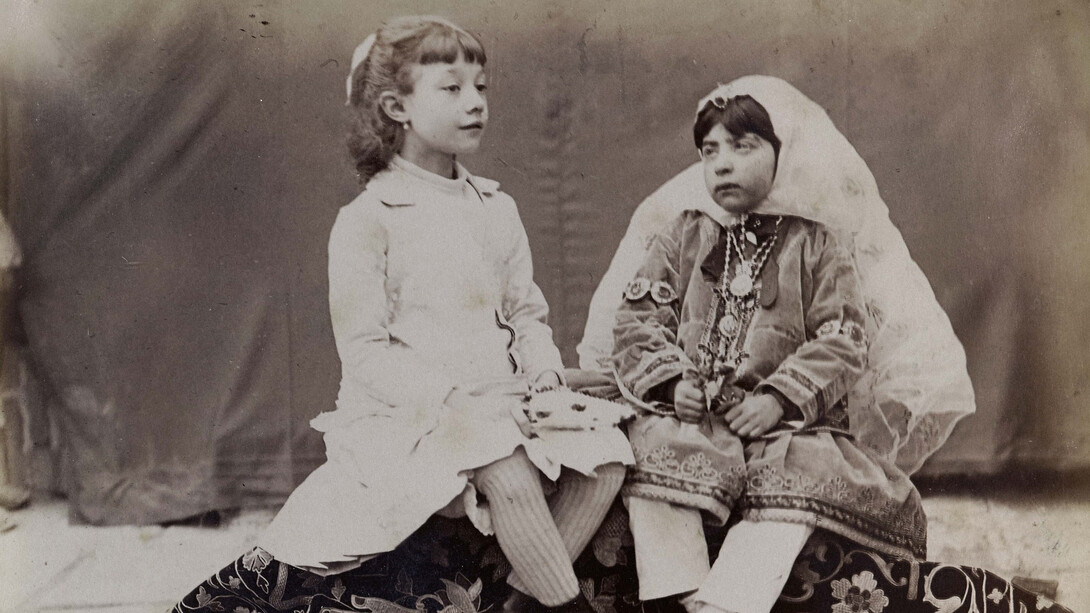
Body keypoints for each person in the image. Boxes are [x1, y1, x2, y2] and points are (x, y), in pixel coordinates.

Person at [176, 16, 631, 613]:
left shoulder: (496, 207)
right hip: (409, 412)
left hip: (504, 396)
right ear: (396, 106)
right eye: (451, 88)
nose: (475, 103)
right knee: (501, 457)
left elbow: (526, 312)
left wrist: (544, 374)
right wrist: (456, 402)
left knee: (604, 455)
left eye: (482, 87)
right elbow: (365, 355)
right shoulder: (369, 220)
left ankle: (525, 603)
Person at [609, 76, 950, 613]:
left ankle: (725, 604)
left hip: (790, 424)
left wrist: (777, 399)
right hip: (694, 415)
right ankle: (675, 590)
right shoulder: (684, 233)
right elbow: (638, 317)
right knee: (652, 452)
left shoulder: (816, 242)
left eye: (743, 147)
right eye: (709, 150)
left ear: (784, 154)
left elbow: (843, 336)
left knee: (795, 481)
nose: (722, 164)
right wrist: (675, 383)